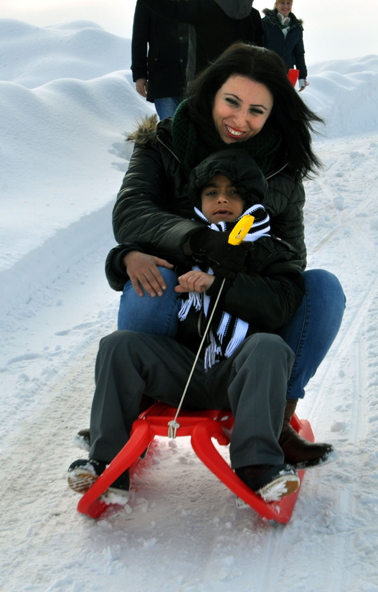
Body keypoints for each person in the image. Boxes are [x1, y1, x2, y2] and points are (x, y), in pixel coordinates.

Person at [108, 42, 345, 470]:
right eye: (231, 102)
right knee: (149, 277)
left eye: (257, 110)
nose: (240, 120)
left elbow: (290, 264)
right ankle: (135, 408)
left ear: (273, 115)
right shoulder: (163, 144)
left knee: (323, 289)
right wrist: (196, 241)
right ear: (211, 93)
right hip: (177, 304)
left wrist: (238, 269)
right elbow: (132, 213)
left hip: (243, 323)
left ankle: (273, 416)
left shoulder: (282, 174)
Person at [68, 149, 317, 502]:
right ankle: (107, 461)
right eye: (212, 193)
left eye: (233, 193)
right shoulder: (189, 243)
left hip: (241, 373)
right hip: (184, 370)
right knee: (118, 344)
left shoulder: (272, 251)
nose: (222, 200)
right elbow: (131, 251)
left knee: (270, 345)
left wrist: (219, 285)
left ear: (250, 201)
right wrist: (125, 256)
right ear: (199, 200)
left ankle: (259, 466)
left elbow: (279, 305)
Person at [138, 0, 263, 79]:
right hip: (240, 87)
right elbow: (258, 56)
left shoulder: (204, 7)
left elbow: (172, 8)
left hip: (204, 85)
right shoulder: (254, 16)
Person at [131, 1, 188, 119]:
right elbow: (139, 37)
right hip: (163, 79)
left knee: (195, 132)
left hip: (195, 78)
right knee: (169, 132)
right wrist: (140, 74)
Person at [262, 1, 308, 91]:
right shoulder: (265, 24)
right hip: (267, 73)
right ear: (276, 4)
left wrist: (302, 76)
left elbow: (299, 54)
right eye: (282, 3)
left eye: (288, 3)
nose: (286, 6)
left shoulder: (296, 27)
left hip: (287, 76)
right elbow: (257, 48)